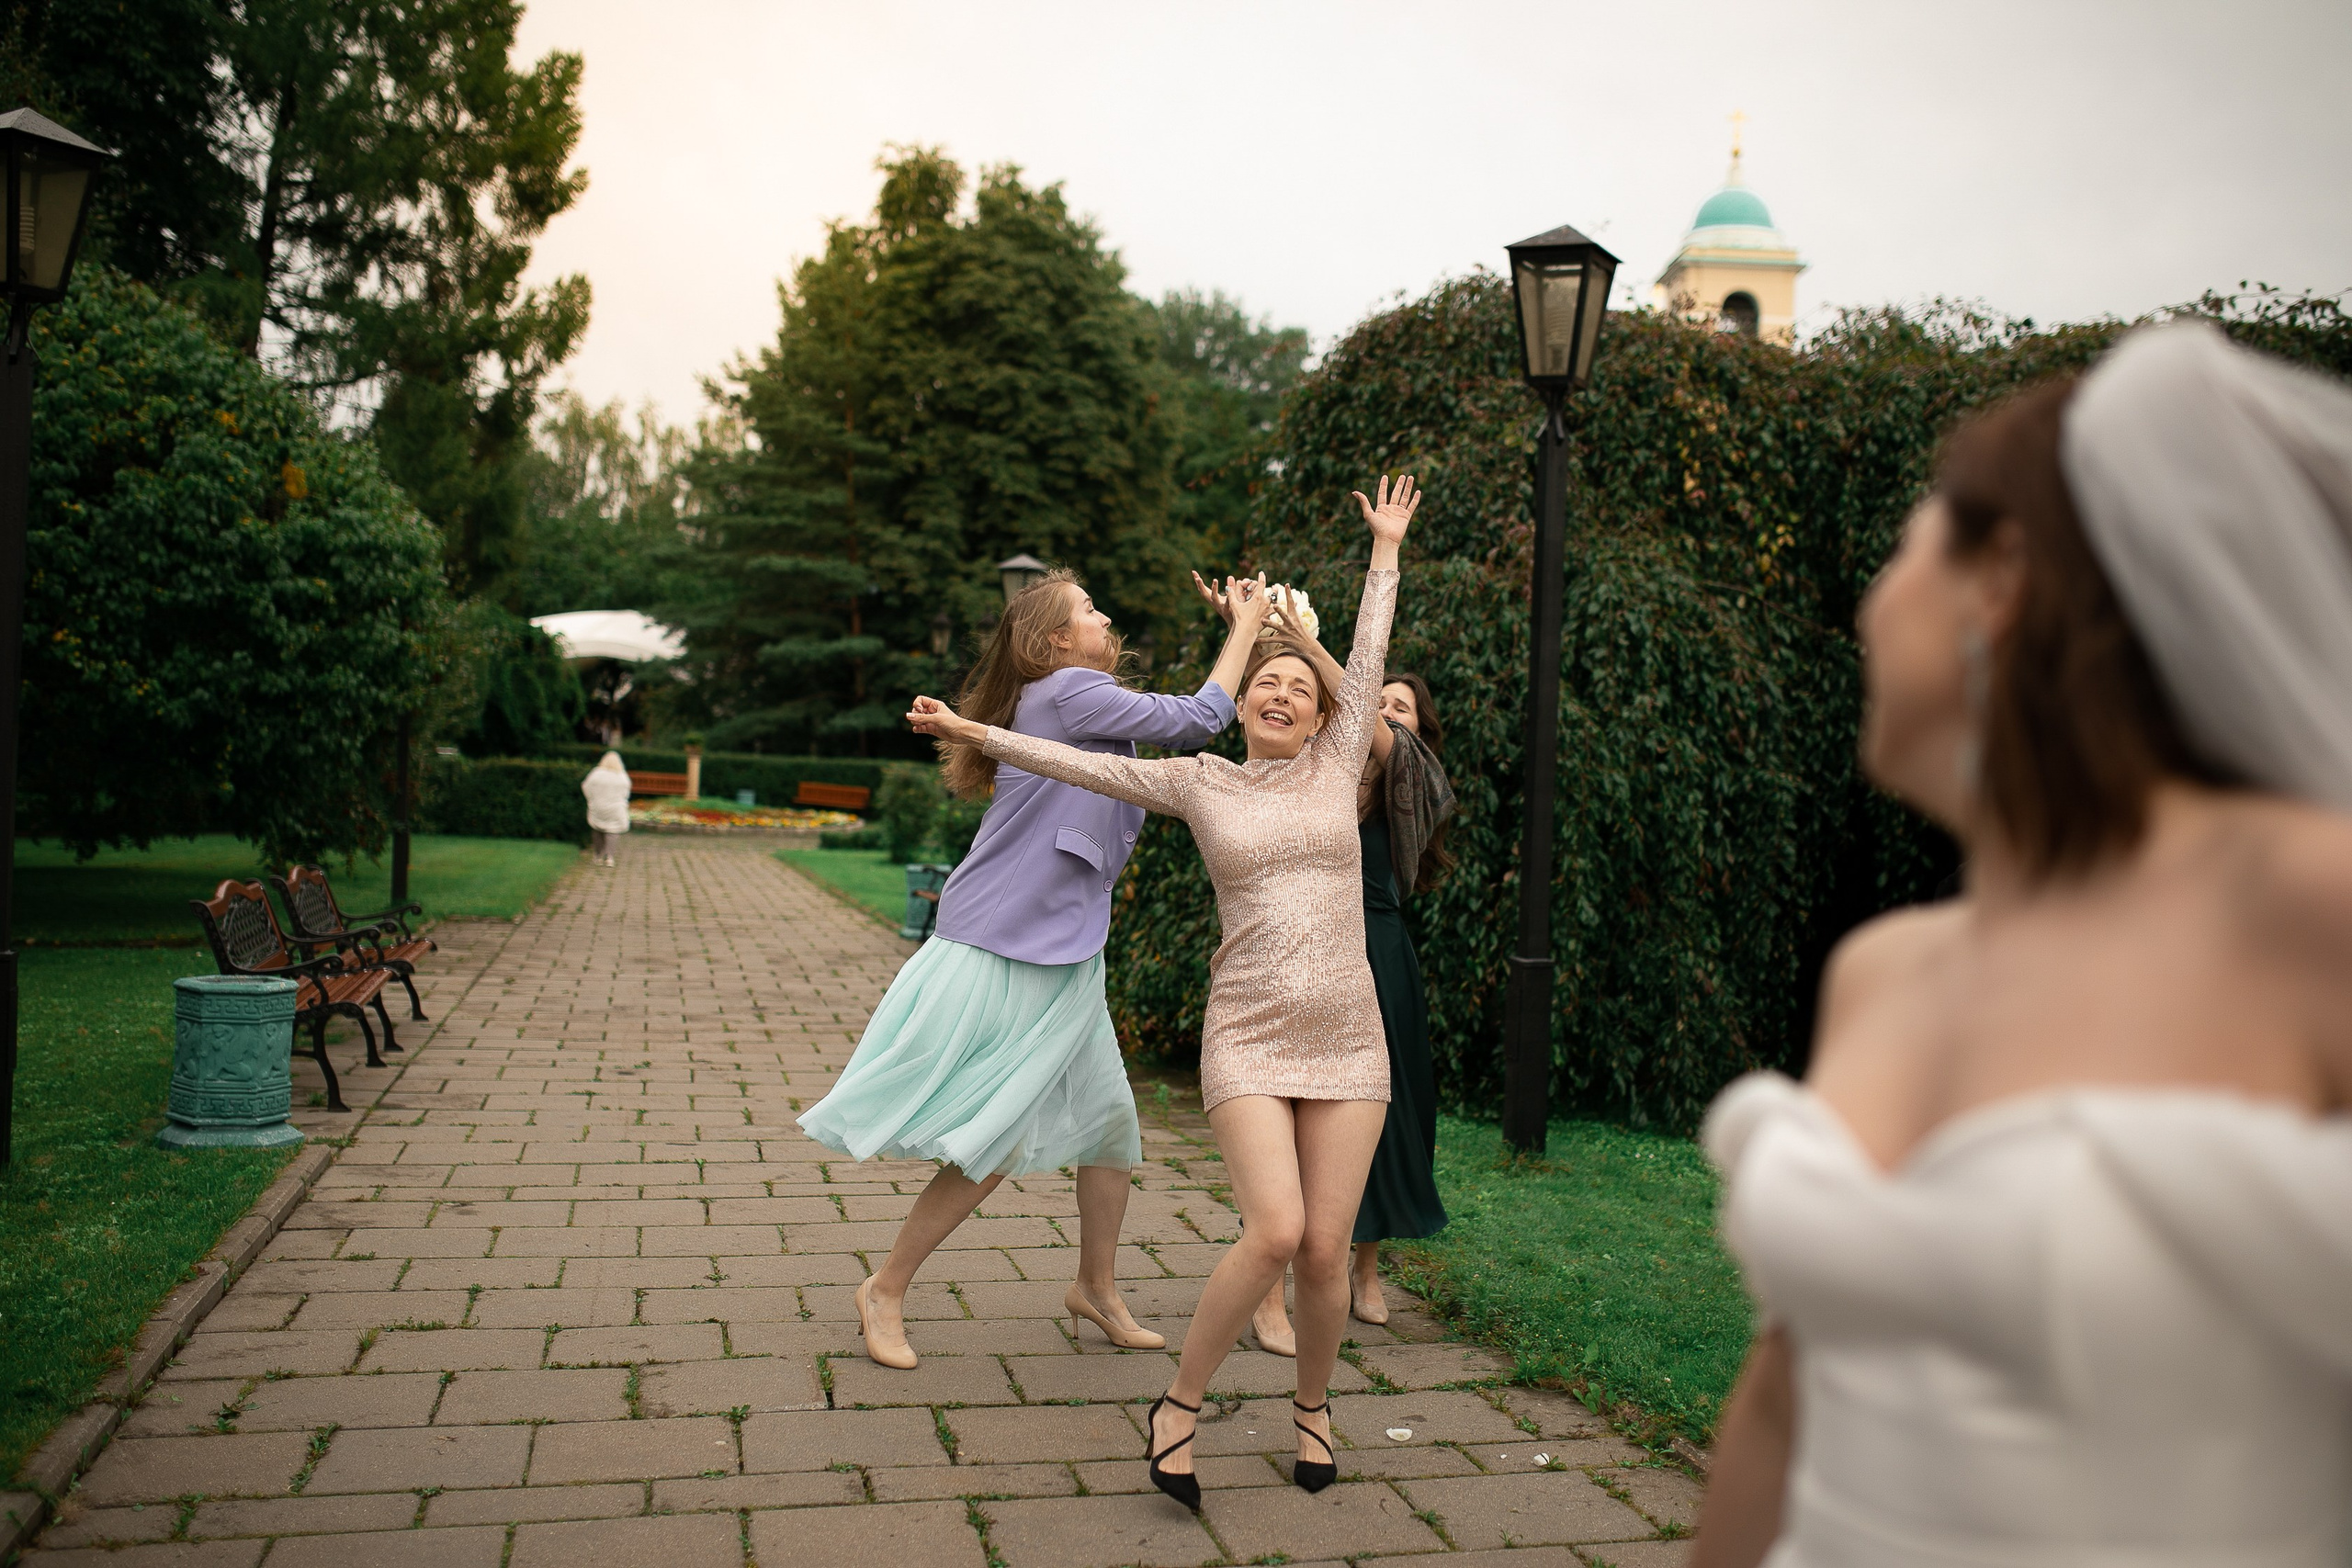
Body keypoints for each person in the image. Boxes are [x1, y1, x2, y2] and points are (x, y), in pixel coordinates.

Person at [1693, 321, 2352, 1567]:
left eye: (1899, 550)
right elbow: (1787, 1397)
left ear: (2000, 577)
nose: (1864, 604)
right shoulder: (1881, 967)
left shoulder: (2307, 900)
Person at [908, 474, 1422, 1509]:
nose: (1280, 696)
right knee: (1274, 1231)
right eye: (1264, 686)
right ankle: (1179, 1407)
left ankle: (1312, 1410)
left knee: (1326, 1250)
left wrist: (1384, 552)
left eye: (1301, 692)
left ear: (1326, 717)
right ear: (1242, 706)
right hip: (1247, 1030)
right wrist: (976, 732)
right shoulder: (1198, 781)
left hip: (1349, 1037)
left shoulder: (1335, 774)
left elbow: (1365, 662)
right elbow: (1071, 764)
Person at [797, 566, 1271, 1370]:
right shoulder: (1066, 693)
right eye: (1088, 609)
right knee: (994, 1135)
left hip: (1067, 946)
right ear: (1055, 640)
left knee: (1111, 1128)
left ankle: (1095, 1286)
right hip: (1012, 943)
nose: (1104, 614)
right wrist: (1247, 627)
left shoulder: (1075, 699)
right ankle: (885, 1287)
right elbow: (1196, 719)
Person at [1208, 646, 1455, 1347]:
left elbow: (1369, 723)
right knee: (1274, 1141)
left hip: (1381, 961)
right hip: (1294, 963)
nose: (1378, 709)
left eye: (1396, 707)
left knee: (1386, 1118)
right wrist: (1264, 636)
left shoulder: (1404, 782)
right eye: (1373, 702)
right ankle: (1267, 1291)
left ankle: (1364, 1268)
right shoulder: (1316, 773)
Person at [582, 751, 631, 867]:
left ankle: (598, 856)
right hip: (615, 809)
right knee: (613, 832)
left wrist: (592, 800)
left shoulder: (596, 773)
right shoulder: (622, 776)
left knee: (598, 830)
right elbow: (626, 793)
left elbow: (586, 786)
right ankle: (609, 857)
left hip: (598, 807)